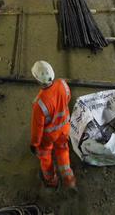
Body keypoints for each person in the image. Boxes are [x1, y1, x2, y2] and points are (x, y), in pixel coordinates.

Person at [29, 61, 76, 190]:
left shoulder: (39, 103)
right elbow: (67, 98)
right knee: (62, 150)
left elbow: (37, 128)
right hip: (65, 128)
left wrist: (34, 144)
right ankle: (69, 179)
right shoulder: (62, 84)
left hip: (48, 136)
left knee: (45, 157)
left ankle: (51, 181)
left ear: (37, 81)